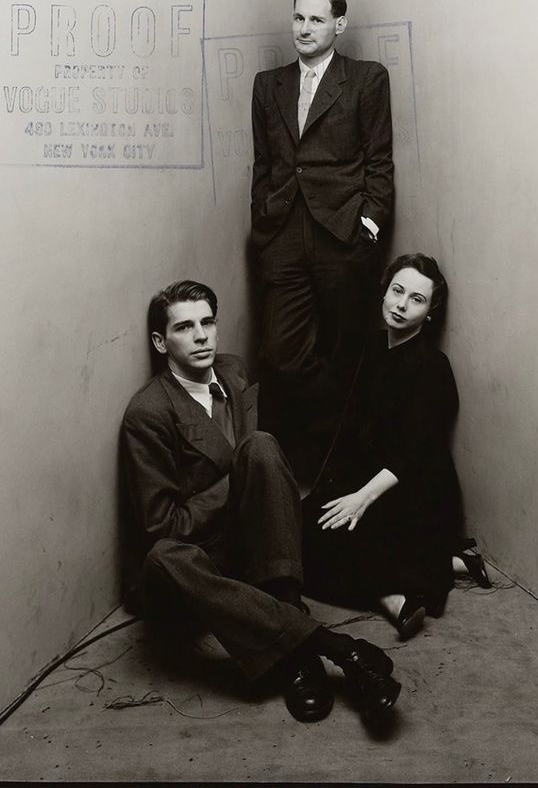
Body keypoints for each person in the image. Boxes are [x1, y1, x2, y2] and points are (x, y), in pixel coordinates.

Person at [120, 279, 402, 725]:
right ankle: (335, 649)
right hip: (199, 564)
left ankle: (294, 655)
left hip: (252, 544)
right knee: (162, 557)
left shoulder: (233, 371)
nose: (201, 336)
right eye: (185, 327)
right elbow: (163, 525)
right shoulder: (149, 413)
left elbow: (259, 466)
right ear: (161, 341)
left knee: (263, 445)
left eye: (208, 322)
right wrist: (237, 480)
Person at [251, 0, 395, 482]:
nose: (303, 28)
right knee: (280, 354)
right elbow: (264, 163)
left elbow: (379, 161)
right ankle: (315, 449)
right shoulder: (267, 85)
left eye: (315, 19)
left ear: (339, 25)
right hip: (284, 235)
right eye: (297, 18)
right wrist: (263, 230)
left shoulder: (367, 79)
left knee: (345, 351)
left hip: (343, 236)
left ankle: (337, 473)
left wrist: (369, 226)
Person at [302, 254, 463, 640]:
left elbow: (413, 455)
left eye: (417, 300)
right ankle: (451, 562)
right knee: (300, 533)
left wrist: (361, 498)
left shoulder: (432, 367)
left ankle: (392, 597)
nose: (402, 304)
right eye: (397, 291)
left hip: (414, 490)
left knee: (341, 540)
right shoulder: (370, 348)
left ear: (429, 314)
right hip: (368, 479)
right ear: (385, 293)